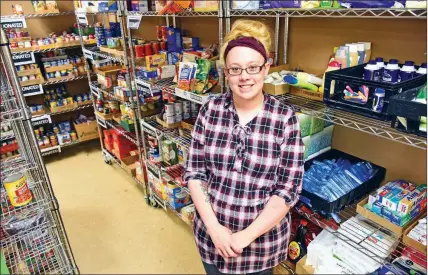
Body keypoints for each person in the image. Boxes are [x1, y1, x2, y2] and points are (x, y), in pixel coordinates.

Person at [183, 19, 305, 275]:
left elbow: (288, 189)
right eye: (235, 69)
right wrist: (216, 230)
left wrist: (244, 237)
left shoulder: (284, 118)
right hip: (212, 240)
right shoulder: (210, 110)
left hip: (261, 247)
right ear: (226, 73)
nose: (244, 77)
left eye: (252, 67)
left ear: (266, 67)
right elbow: (195, 173)